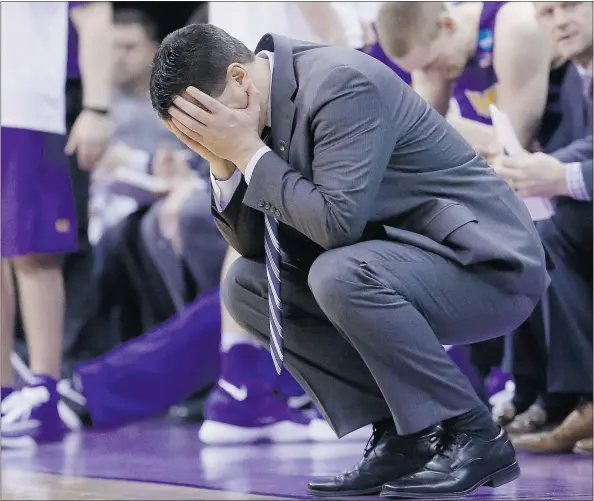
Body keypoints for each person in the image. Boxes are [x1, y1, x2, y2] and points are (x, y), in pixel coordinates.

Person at [150, 24, 550, 497]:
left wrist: (247, 151)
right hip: (402, 265)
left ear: (239, 78)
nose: (211, 137)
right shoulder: (253, 112)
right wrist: (222, 163)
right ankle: (405, 436)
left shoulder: (340, 83)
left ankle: (474, 433)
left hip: (486, 265)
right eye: (194, 136)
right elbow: (258, 250)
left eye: (208, 124)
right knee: (245, 284)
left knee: (338, 273)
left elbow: (337, 225)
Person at [1, 1, 112, 448]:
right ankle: (5, 391)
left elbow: (94, 12)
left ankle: (43, 392)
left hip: (28, 104)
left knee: (33, 251)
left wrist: (97, 107)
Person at [493, 0, 592, 456]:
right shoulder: (577, 74)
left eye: (570, 5)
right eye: (547, 13)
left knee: (551, 230)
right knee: (522, 226)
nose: (559, 22)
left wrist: (562, 176)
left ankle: (579, 397)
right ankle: (539, 391)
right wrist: (542, 167)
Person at [376, 2, 551, 158]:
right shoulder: (433, 52)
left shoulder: (514, 26)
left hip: (560, 157)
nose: (429, 76)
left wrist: (449, 125)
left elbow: (513, 145)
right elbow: (420, 142)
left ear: (448, 24)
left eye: (430, 65)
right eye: (419, 70)